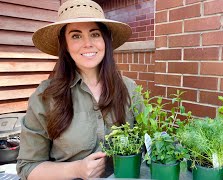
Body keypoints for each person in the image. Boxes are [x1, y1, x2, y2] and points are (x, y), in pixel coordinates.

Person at [16, 0, 142, 179]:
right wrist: (77, 169)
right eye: (76, 36)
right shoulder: (45, 97)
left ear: (105, 40)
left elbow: (147, 145)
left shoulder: (129, 89)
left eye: (95, 34)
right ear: (65, 45)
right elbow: (27, 167)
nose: (87, 43)